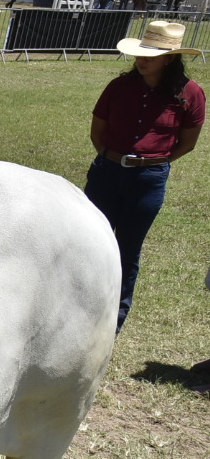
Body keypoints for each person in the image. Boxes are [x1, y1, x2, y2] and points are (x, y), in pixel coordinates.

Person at [83, 20, 204, 332]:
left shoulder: (190, 94)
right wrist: (114, 158)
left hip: (148, 180)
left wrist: (151, 162)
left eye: (151, 54)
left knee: (128, 249)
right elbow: (98, 131)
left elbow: (187, 143)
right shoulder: (118, 87)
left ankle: (114, 320)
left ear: (171, 58)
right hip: (107, 172)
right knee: (89, 242)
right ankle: (78, 306)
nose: (142, 59)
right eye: (141, 52)